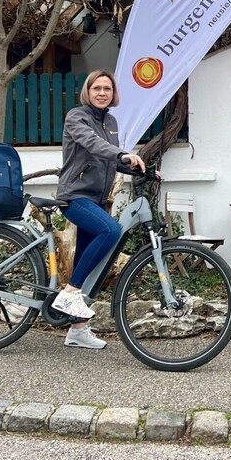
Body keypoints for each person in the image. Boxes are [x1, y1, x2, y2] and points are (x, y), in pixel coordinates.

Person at [51, 69, 146, 349]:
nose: (102, 93)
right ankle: (68, 294)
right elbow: (93, 145)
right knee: (111, 230)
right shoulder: (76, 117)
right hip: (74, 196)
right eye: (97, 88)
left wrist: (141, 169)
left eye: (107, 89)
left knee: (85, 263)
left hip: (95, 199)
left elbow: (110, 160)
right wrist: (121, 153)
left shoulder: (111, 122)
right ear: (88, 92)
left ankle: (77, 331)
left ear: (113, 94)